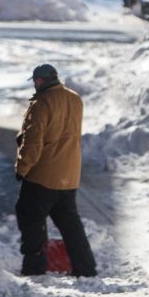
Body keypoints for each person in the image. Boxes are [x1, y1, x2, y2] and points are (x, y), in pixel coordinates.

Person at [14, 63, 97, 277]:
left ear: (40, 81)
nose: (34, 85)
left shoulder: (42, 102)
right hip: (69, 176)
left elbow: (33, 141)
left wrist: (23, 168)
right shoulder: (75, 99)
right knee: (71, 226)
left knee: (30, 217)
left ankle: (34, 268)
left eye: (35, 81)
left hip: (43, 175)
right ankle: (85, 267)